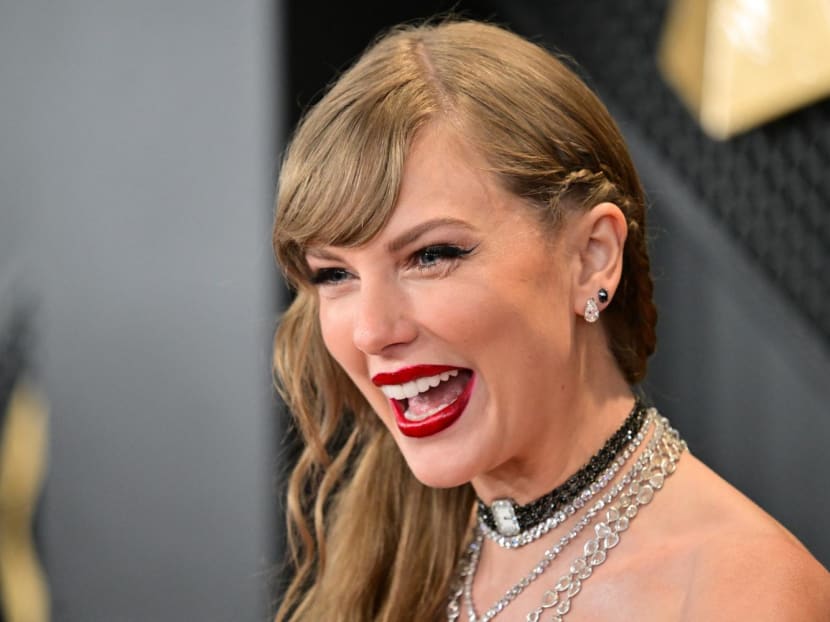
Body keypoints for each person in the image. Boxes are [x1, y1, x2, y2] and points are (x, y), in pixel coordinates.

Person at [271, 19, 830, 621]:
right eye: (335, 275)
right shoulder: (393, 559)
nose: (372, 331)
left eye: (431, 256)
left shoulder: (745, 595)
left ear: (592, 258)